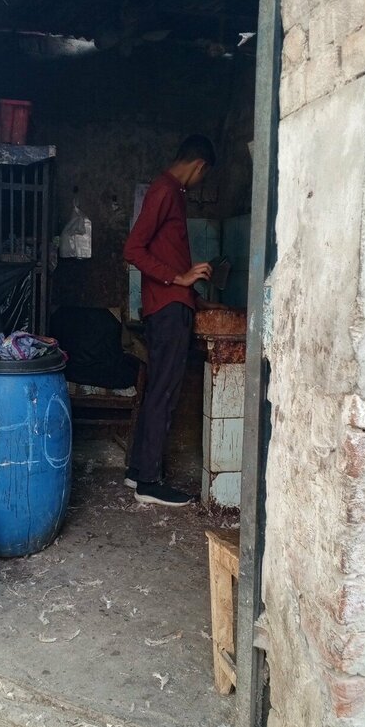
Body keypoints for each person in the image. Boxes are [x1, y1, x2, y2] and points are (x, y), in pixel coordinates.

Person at [123, 134, 217, 507]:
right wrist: (177, 280)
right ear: (200, 166)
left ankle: (137, 472)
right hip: (167, 308)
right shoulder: (166, 190)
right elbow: (133, 249)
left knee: (158, 389)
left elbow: (163, 252)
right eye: (203, 177)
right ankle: (149, 482)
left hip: (170, 304)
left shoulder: (171, 191)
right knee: (165, 390)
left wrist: (190, 290)